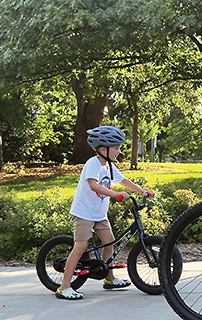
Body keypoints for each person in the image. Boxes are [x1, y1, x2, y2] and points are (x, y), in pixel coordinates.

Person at [56, 126, 155, 300]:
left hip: (99, 214)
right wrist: (115, 195)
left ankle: (109, 279)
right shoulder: (93, 164)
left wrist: (141, 192)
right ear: (103, 149)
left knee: (110, 242)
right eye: (116, 148)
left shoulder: (108, 166)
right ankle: (64, 287)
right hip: (84, 213)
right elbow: (93, 185)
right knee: (80, 247)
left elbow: (123, 181)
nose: (119, 151)